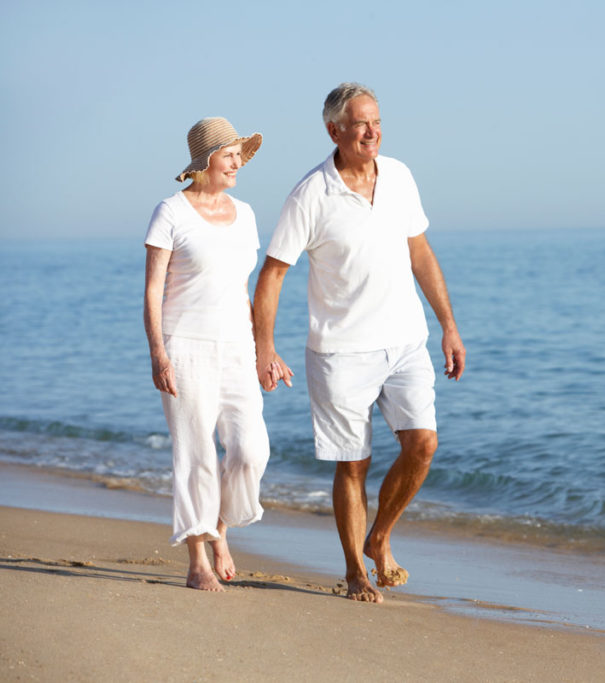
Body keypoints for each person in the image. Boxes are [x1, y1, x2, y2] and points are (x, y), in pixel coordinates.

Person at [253, 82, 465, 604]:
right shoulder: (311, 194)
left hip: (406, 342)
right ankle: (355, 572)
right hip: (340, 351)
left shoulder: (400, 176)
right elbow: (273, 274)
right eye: (360, 124)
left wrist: (448, 326)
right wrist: (265, 346)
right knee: (353, 464)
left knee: (423, 444)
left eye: (377, 122)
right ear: (334, 131)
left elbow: (421, 253)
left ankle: (380, 536)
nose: (372, 132)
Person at [143, 117, 271, 592]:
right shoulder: (170, 212)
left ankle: (220, 526)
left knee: (251, 450)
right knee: (194, 452)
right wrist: (159, 353)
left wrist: (265, 349)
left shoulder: (247, 213)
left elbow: (245, 289)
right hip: (185, 345)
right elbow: (153, 290)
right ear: (204, 162)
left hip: (238, 345)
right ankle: (198, 556)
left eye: (239, 153)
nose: (238, 162)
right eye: (229, 154)